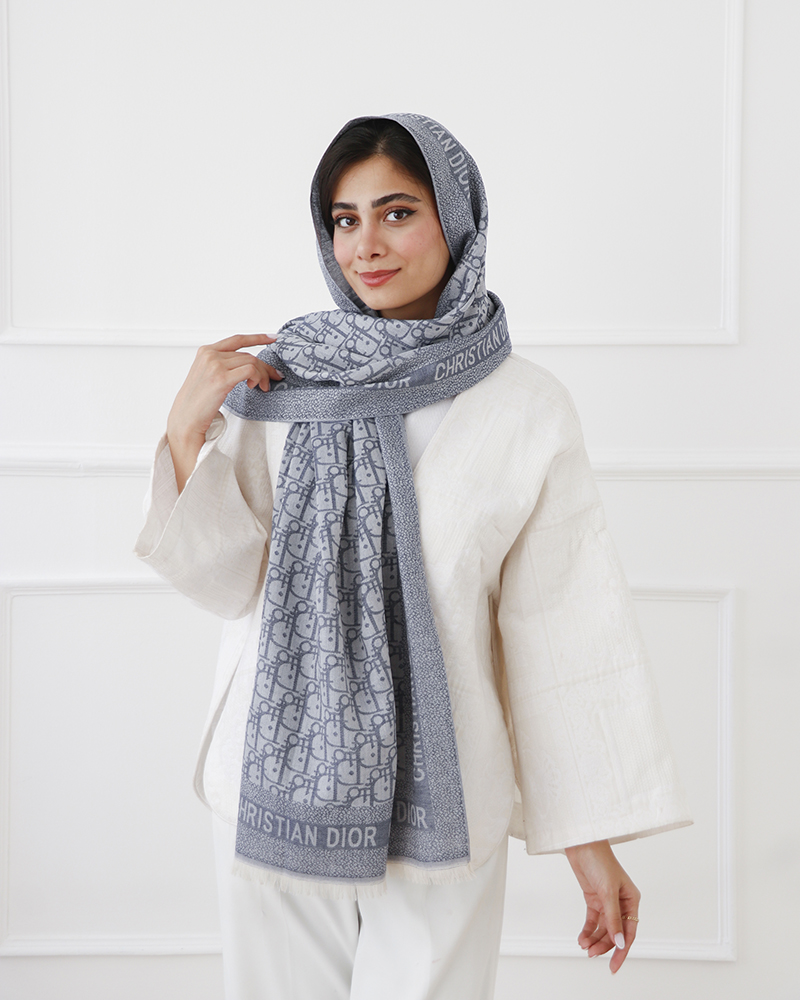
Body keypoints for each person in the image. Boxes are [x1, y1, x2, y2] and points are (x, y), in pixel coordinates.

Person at [136, 114, 691, 999]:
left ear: (456, 221)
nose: (366, 245)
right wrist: (183, 433)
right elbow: (224, 581)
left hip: (446, 800)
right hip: (273, 787)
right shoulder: (282, 385)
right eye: (344, 220)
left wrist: (590, 844)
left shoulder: (524, 406)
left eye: (396, 212)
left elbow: (561, 632)